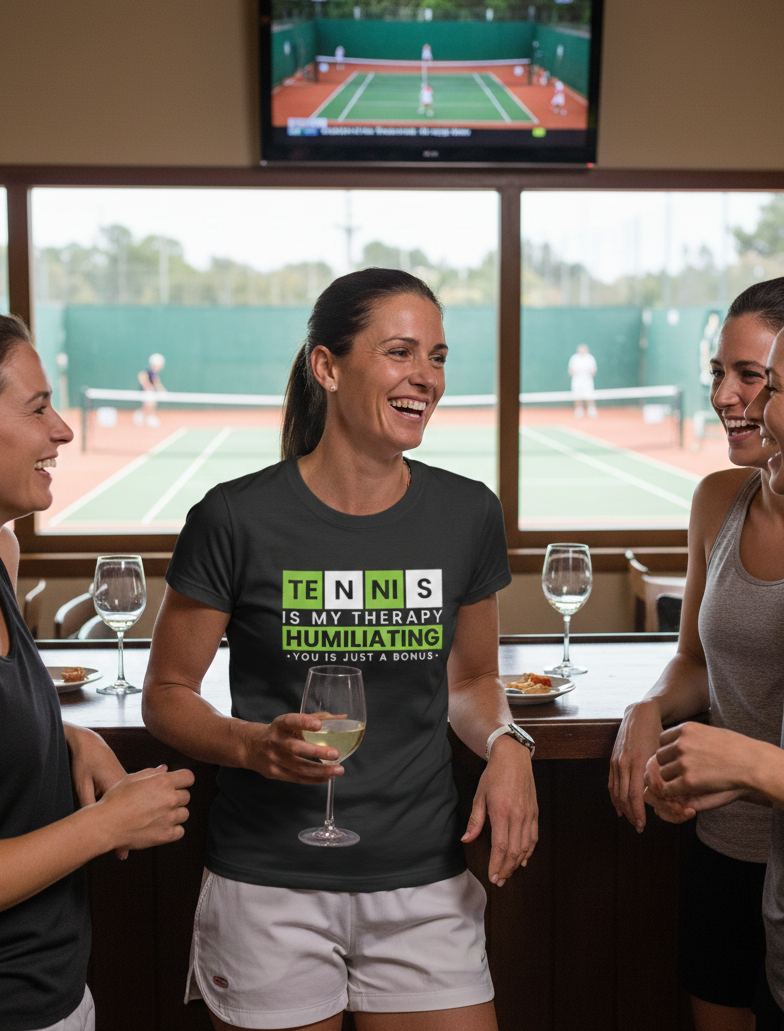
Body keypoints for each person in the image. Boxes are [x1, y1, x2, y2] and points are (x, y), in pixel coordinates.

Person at [142, 268, 538, 1031]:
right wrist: (251, 744)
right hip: (267, 886)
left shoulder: (466, 512)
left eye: (438, 356)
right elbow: (166, 694)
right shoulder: (233, 516)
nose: (425, 375)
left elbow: (474, 678)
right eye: (399, 352)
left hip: (422, 882)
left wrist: (506, 742)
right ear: (326, 365)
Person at [0, 305, 194, 1031]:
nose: (61, 429)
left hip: (53, 993)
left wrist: (67, 739)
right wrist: (102, 825)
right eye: (37, 407)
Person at [609, 278, 784, 1031]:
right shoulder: (718, 500)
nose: (733, 397)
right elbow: (694, 661)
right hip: (736, 853)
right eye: (721, 374)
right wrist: (649, 709)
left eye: (761, 379)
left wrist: (749, 765)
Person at [135, 351, 166, 426]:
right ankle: (144, 417)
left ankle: (145, 417)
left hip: (150, 392)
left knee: (151, 404)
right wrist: (148, 386)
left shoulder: (155, 373)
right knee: (149, 404)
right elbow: (141, 375)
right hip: (146, 391)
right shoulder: (148, 371)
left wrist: (162, 391)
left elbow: (157, 383)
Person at [568, 343, 597, 418]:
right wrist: (577, 372)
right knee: (577, 396)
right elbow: (570, 371)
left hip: (587, 381)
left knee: (589, 396)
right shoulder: (574, 358)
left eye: (583, 349)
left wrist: (586, 373)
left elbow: (594, 371)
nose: (582, 351)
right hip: (577, 381)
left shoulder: (590, 358)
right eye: (580, 349)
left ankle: (592, 411)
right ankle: (578, 411)